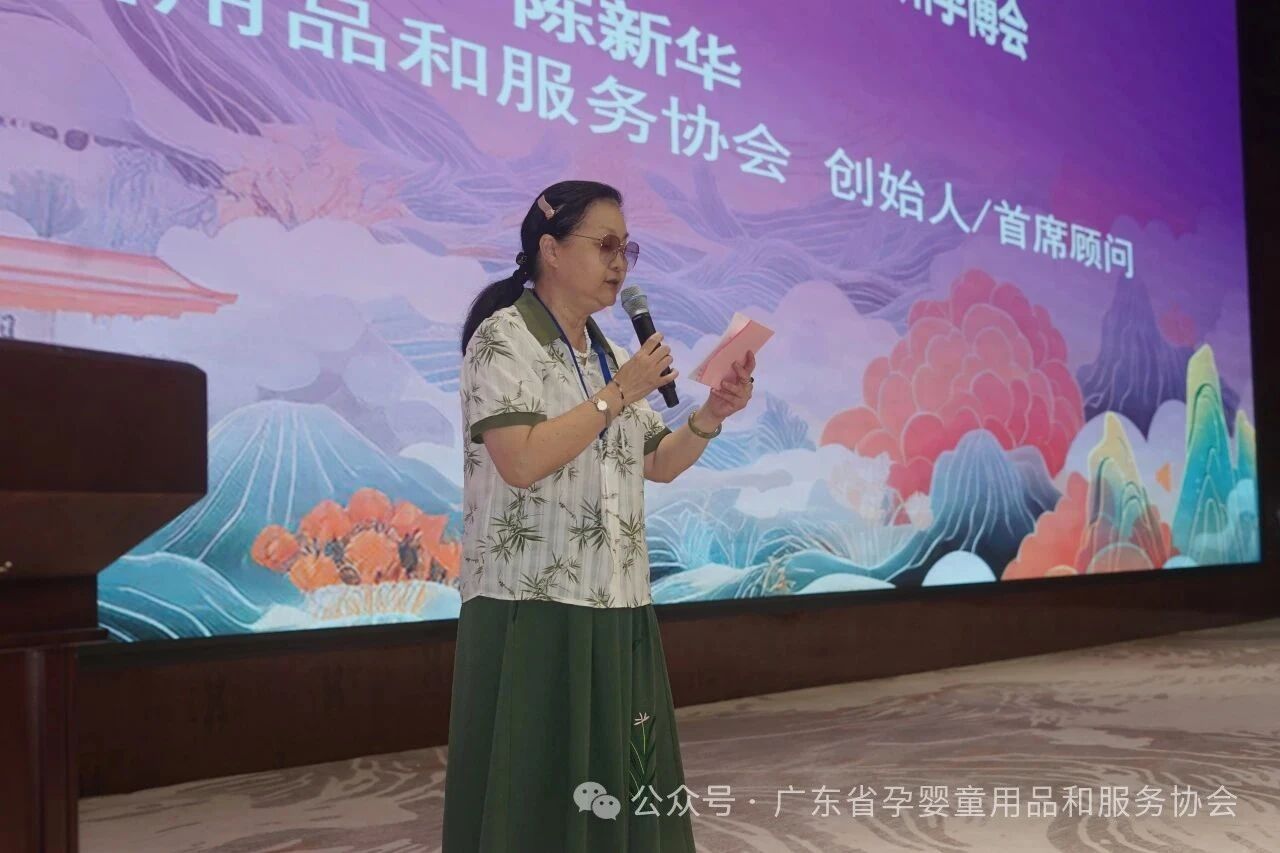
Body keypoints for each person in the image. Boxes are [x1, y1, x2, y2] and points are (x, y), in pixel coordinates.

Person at [442, 180, 757, 852]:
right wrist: (619, 393)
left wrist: (712, 413)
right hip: (531, 604)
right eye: (606, 244)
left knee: (617, 789)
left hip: (616, 601)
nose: (620, 263)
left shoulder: (604, 352)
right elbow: (520, 460)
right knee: (536, 793)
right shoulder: (504, 339)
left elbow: (659, 461)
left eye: (627, 249)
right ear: (551, 250)